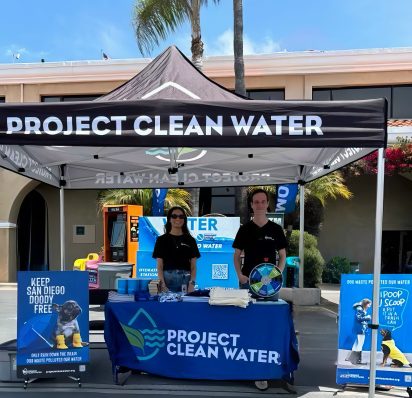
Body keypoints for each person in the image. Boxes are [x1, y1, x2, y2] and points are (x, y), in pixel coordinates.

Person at [232, 188, 287, 392]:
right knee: (248, 326)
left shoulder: (275, 229)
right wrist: (240, 275)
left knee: (269, 326)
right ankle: (250, 368)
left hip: (270, 287)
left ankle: (266, 369)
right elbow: (236, 256)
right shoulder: (245, 229)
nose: (260, 205)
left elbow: (282, 256)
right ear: (251, 205)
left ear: (268, 204)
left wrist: (276, 275)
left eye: (263, 201)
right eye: (256, 202)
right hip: (247, 285)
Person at [152, 206, 200, 293]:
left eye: (181, 216)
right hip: (167, 281)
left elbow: (193, 267)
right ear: (169, 219)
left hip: (185, 281)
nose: (178, 219)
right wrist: (162, 284)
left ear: (184, 220)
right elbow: (159, 266)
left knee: (185, 306)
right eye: (174, 216)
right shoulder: (161, 240)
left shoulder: (191, 240)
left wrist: (192, 284)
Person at [345, 298, 372, 365]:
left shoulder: (360, 309)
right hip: (360, 329)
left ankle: (351, 358)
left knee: (357, 343)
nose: (370, 306)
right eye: (369, 304)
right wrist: (368, 317)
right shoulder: (360, 309)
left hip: (359, 328)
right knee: (360, 343)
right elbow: (359, 318)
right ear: (366, 304)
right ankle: (357, 360)